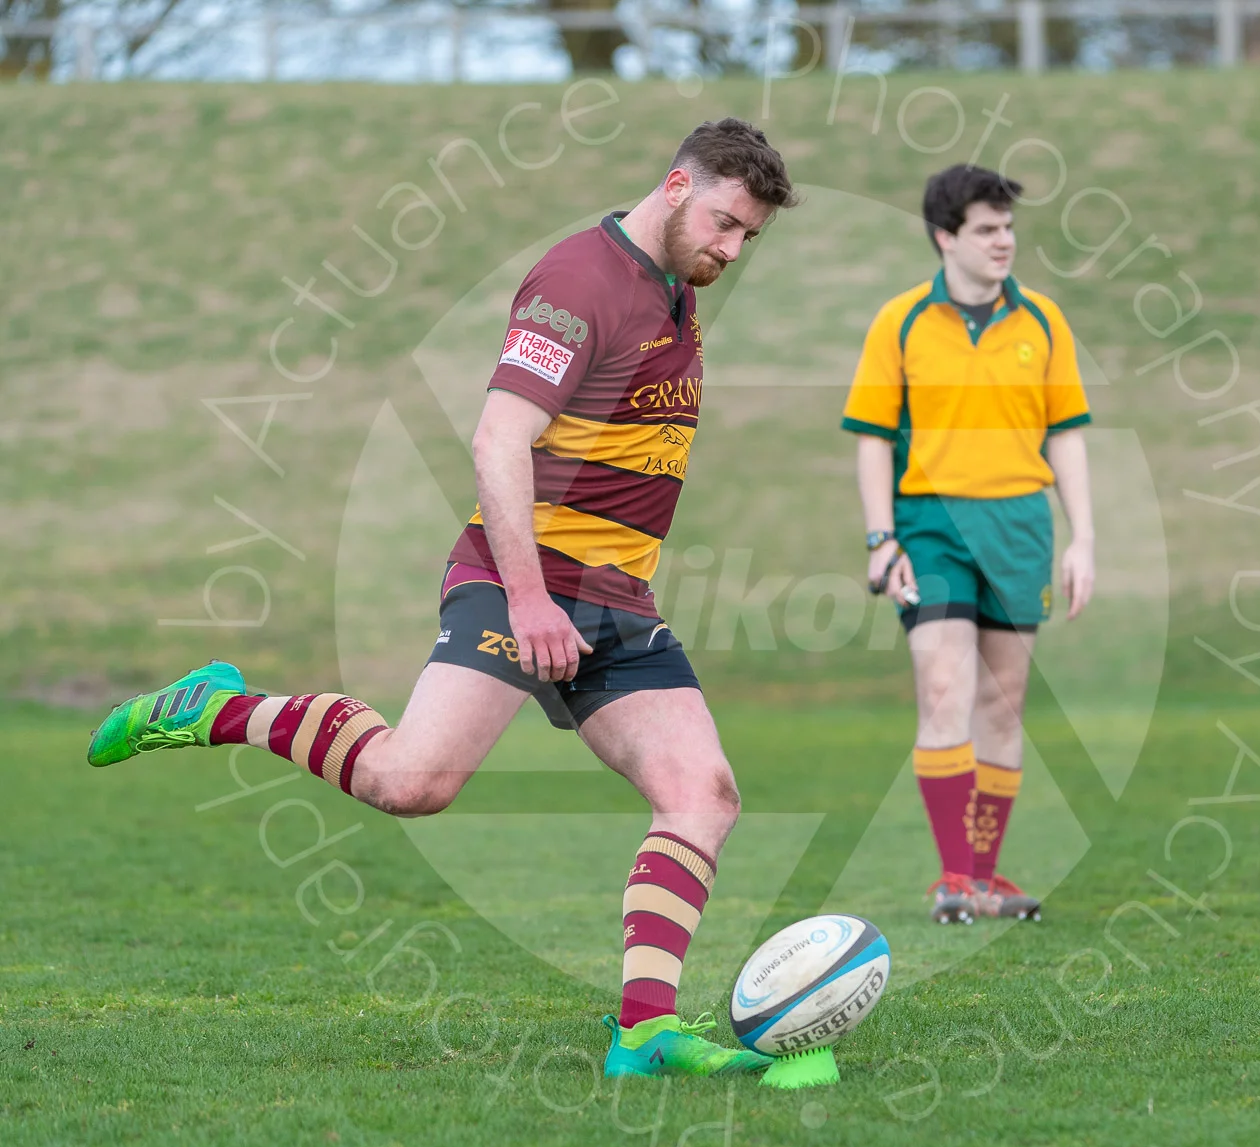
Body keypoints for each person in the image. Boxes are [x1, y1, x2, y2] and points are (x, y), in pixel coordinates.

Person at [87, 118, 799, 1078]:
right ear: (676, 186)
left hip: (618, 601)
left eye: (748, 237)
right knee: (409, 784)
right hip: (522, 584)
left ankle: (644, 1034)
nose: (731, 248)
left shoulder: (672, 283)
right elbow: (497, 441)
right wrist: (531, 598)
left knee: (702, 794)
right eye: (724, 223)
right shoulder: (579, 284)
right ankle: (217, 707)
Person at [841, 164, 1095, 926]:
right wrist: (881, 538)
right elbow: (872, 440)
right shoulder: (901, 323)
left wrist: (1086, 538)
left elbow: (1068, 436)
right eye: (987, 229)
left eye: (1009, 228)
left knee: (1004, 703)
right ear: (945, 236)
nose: (1004, 241)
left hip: (1021, 527)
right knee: (945, 688)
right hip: (930, 528)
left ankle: (985, 878)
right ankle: (954, 877)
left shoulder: (1044, 321)